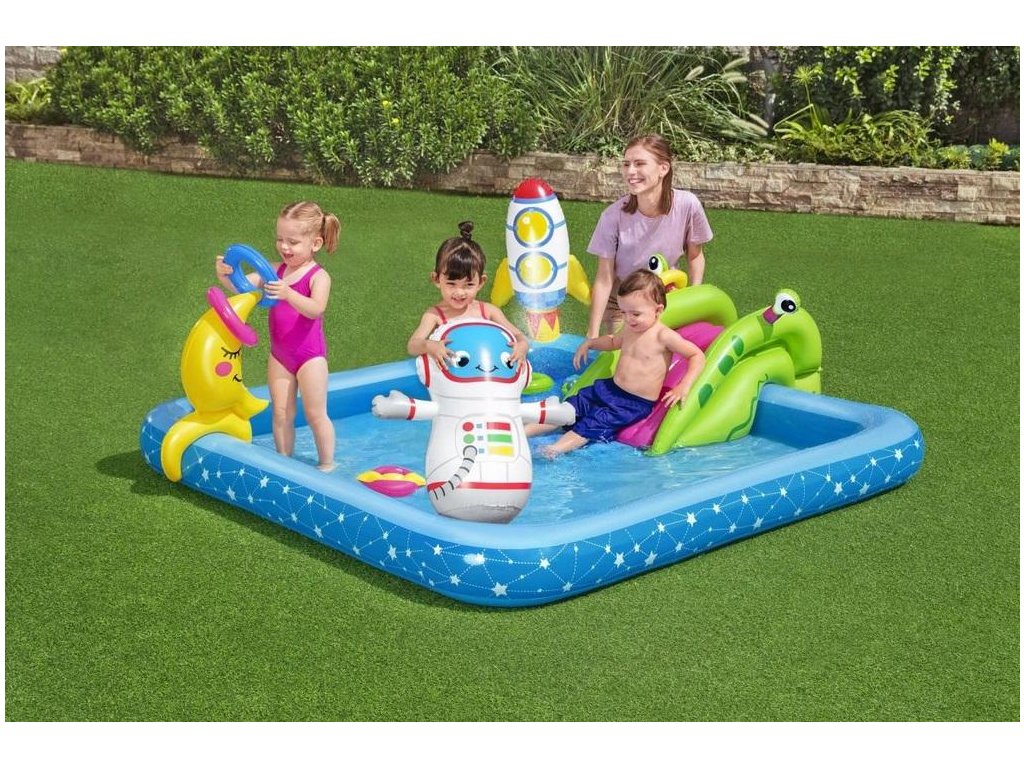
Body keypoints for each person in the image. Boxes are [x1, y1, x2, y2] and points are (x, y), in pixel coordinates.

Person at [215, 201, 341, 471]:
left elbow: (316, 309)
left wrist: (288, 293)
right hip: (281, 355)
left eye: (293, 242)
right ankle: (283, 463)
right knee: (281, 412)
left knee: (315, 414)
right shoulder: (273, 271)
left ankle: (327, 465)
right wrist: (224, 274)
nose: (284, 247)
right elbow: (241, 287)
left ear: (315, 243)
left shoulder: (319, 277)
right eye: (280, 239)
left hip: (310, 357)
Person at [526, 269, 705, 458]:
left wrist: (684, 386)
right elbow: (613, 342)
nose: (628, 319)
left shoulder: (664, 336)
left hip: (632, 403)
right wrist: (591, 343)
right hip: (609, 388)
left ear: (658, 310)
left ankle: (554, 450)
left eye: (635, 314)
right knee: (570, 407)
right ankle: (522, 432)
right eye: (624, 312)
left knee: (592, 424)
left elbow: (696, 355)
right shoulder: (630, 328)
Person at [582, 133, 713, 346]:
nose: (630, 171)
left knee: (673, 352)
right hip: (624, 303)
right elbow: (604, 278)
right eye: (626, 164)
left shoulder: (687, 205)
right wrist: (592, 334)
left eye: (639, 163)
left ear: (663, 168)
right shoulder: (612, 216)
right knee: (630, 355)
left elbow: (695, 256)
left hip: (666, 297)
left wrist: (693, 298)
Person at [407, 220, 529, 369]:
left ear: (481, 282)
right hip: (456, 376)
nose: (459, 292)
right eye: (451, 284)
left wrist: (522, 346)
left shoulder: (489, 311)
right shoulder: (434, 315)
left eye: (469, 285)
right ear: (437, 279)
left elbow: (519, 336)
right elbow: (413, 345)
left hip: (487, 372)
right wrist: (429, 345)